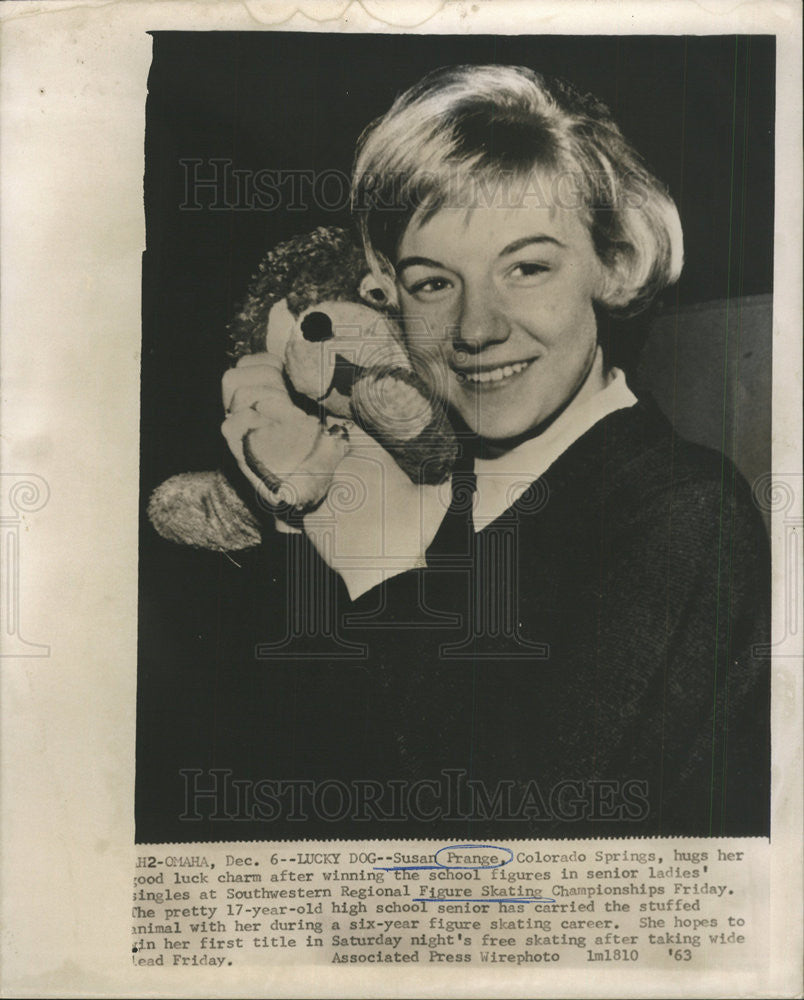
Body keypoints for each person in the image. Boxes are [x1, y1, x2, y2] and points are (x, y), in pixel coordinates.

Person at [142, 65, 770, 842]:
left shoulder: (685, 514)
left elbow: (502, 850)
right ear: (389, 295)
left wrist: (382, 568)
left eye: (527, 267)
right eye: (433, 283)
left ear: (613, 263)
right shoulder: (417, 485)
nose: (475, 328)